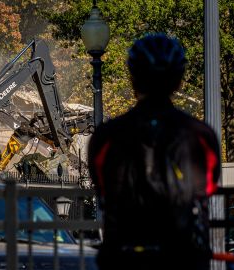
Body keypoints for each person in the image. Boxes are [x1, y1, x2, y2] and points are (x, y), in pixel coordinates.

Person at [88, 33, 221, 270]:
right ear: (179, 81)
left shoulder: (107, 136)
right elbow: (208, 187)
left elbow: (103, 188)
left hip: (124, 254)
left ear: (133, 79)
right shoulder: (200, 135)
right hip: (182, 255)